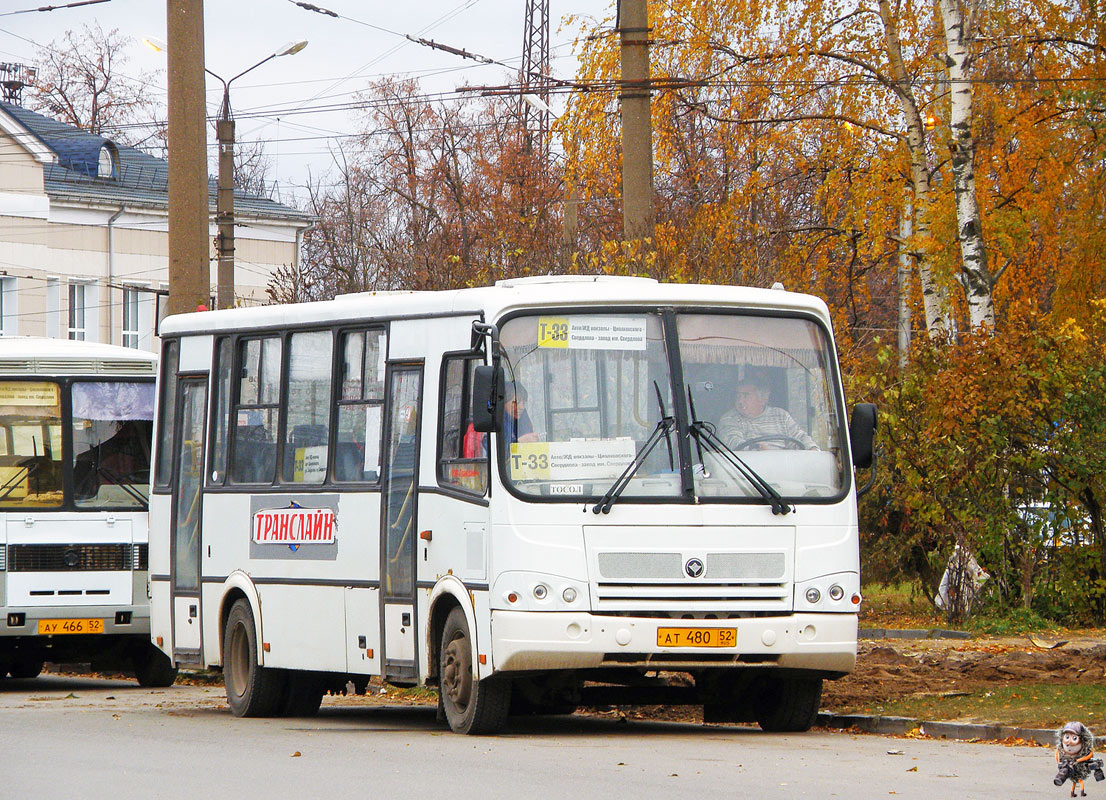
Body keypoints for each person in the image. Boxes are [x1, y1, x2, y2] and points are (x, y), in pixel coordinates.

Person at [717, 376, 817, 450]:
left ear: (763, 399)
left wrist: (812, 448)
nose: (740, 401)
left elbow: (799, 437)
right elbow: (733, 442)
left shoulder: (781, 416)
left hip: (784, 468)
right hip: (748, 471)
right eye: (738, 396)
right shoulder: (729, 418)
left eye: (746, 395)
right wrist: (756, 448)